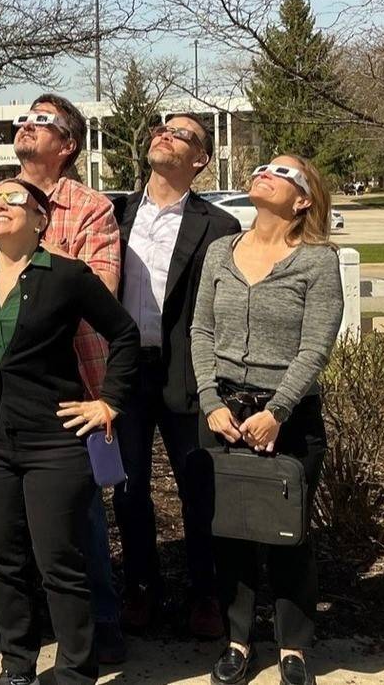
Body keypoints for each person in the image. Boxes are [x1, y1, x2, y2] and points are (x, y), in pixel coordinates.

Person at [0, 94, 126, 662]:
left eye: (42, 121)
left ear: (68, 144)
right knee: (3, 532)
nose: (26, 125)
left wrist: (33, 257)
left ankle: (97, 628)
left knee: (73, 524)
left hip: (69, 387)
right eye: (25, 118)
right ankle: (6, 639)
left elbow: (99, 291)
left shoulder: (90, 207)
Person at [191, 155, 342, 685]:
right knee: (229, 533)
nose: (264, 173)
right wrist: (210, 400)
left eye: (281, 172)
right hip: (222, 415)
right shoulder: (220, 251)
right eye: (262, 167)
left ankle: (293, 648)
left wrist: (277, 410)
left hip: (289, 418)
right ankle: (237, 641)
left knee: (287, 535)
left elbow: (316, 345)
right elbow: (201, 331)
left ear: (302, 200)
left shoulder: (318, 261)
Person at [112, 116, 240, 637]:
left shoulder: (219, 226)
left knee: (198, 487)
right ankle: (140, 587)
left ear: (200, 160)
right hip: (123, 373)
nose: (165, 134)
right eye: (162, 127)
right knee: (128, 487)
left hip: (186, 372)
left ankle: (206, 594)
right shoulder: (114, 213)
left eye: (182, 134)